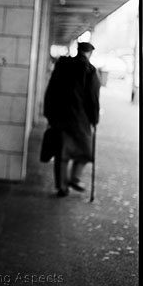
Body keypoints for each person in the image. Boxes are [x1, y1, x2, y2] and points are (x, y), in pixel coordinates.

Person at [43, 42, 101, 197]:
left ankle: (62, 187)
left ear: (78, 50)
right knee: (85, 151)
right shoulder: (90, 70)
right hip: (80, 119)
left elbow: (51, 89)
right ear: (89, 53)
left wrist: (49, 113)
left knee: (61, 153)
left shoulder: (63, 65)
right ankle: (74, 177)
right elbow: (93, 98)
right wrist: (94, 119)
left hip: (60, 116)